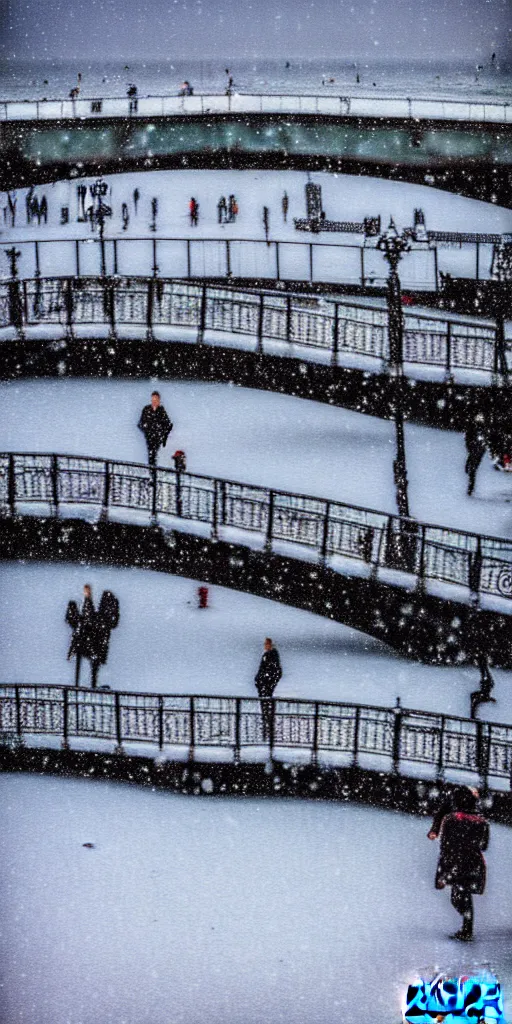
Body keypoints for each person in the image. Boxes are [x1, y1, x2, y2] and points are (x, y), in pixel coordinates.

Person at [431, 786, 489, 942]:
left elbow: (445, 843)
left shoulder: (451, 819)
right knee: (464, 894)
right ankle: (467, 927)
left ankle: (467, 928)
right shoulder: (482, 822)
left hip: (454, 860)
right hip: (472, 861)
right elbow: (483, 845)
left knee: (458, 895)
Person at [255, 638, 282, 739]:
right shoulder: (269, 655)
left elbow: (275, 671)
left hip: (265, 685)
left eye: (267, 644)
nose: (265, 646)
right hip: (265, 685)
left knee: (266, 704)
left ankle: (268, 726)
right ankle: (267, 725)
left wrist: (265, 681)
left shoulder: (271, 655)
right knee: (266, 704)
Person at [138, 391, 173, 467]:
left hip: (158, 438)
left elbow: (168, 424)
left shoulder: (161, 411)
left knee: (156, 455)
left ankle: (155, 471)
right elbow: (140, 423)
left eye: (156, 400)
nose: (154, 401)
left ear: (159, 400)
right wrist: (146, 429)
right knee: (151, 455)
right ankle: (152, 472)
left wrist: (162, 433)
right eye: (153, 400)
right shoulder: (146, 409)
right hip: (149, 436)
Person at [465, 415, 487, 496]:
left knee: (472, 469)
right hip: (476, 450)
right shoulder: (474, 428)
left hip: (476, 450)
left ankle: (470, 488)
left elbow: (469, 439)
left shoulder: (477, 429)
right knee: (472, 469)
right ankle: (470, 487)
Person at [470, 652, 497, 719]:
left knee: (475, 701)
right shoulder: (486, 676)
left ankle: (473, 716)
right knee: (473, 697)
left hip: (485, 694)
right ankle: (472, 715)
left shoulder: (487, 678)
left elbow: (485, 674)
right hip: (484, 692)